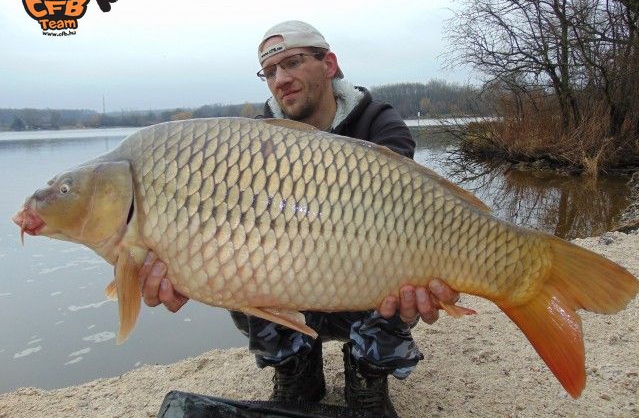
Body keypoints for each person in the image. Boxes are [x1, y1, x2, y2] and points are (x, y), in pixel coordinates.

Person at [140, 21, 460, 417]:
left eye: (292, 63)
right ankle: (295, 369)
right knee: (238, 262)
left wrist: (434, 275)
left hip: (362, 281)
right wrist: (183, 265)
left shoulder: (379, 123)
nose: (281, 79)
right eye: (270, 72)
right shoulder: (254, 142)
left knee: (391, 258)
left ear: (329, 64)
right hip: (292, 282)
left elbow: (407, 218)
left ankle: (367, 375)